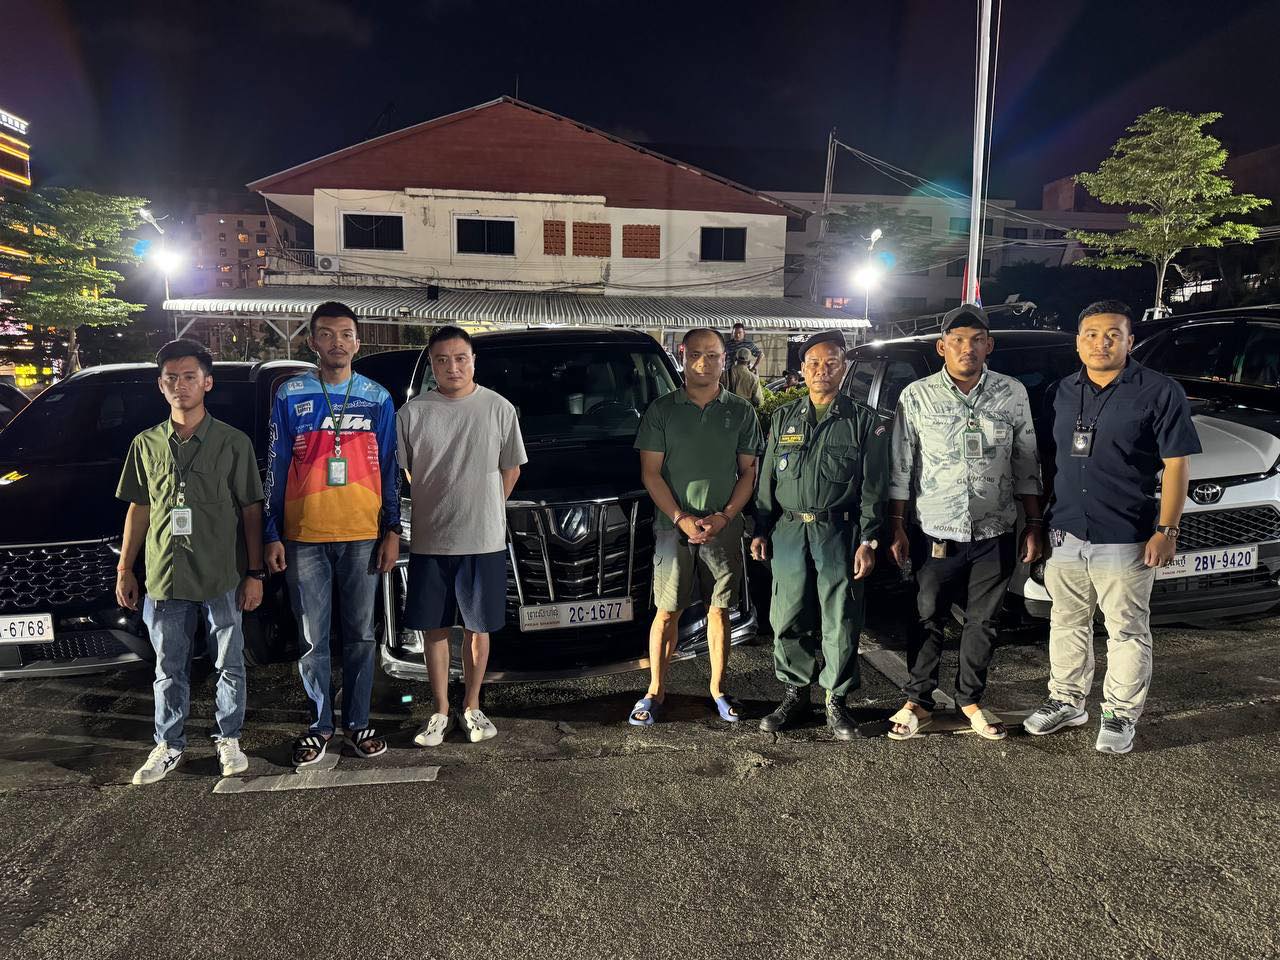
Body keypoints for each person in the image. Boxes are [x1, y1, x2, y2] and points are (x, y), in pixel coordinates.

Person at [1025, 300, 1200, 754]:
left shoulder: (1159, 391)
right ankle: (1067, 701)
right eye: (1091, 334)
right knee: (1067, 623)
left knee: (1126, 630)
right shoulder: (1061, 392)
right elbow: (1051, 461)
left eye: (1112, 335)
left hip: (1127, 534)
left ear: (1129, 341)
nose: (1101, 343)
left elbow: (1177, 465)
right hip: (1066, 530)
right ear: (1078, 342)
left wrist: (1168, 529)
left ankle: (1121, 713)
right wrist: (1040, 521)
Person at [885, 304, 1045, 742]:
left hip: (995, 530)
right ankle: (918, 700)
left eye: (976, 340)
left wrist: (1034, 522)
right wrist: (896, 524)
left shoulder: (1012, 393)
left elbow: (1026, 460)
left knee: (984, 621)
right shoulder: (916, 396)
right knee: (926, 616)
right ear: (942, 347)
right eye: (957, 340)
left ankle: (970, 699)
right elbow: (901, 464)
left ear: (989, 345)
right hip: (935, 530)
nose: (966, 348)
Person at [115, 340, 265, 785]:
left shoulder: (232, 442)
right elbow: (139, 508)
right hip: (165, 575)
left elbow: (251, 510)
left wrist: (255, 573)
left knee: (229, 663)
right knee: (168, 667)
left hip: (222, 573)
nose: (180, 385)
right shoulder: (145, 444)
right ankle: (168, 743)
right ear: (160, 386)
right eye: (171, 378)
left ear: (207, 382)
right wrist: (126, 568)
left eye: (189, 377)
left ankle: (229, 737)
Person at [264, 302, 401, 767]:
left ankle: (358, 722)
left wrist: (392, 528)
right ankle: (319, 726)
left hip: (363, 534)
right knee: (312, 639)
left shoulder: (377, 397)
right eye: (326, 334)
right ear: (312, 341)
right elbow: (276, 465)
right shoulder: (290, 393)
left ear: (357, 342)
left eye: (345, 334)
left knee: (361, 635)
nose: (336, 342)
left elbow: (390, 467)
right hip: (303, 535)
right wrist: (271, 532)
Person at [751, 330, 888, 740]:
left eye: (831, 363)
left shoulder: (863, 421)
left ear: (844, 369)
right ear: (802, 369)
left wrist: (868, 540)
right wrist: (761, 528)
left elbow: (874, 488)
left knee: (840, 617)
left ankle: (836, 699)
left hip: (838, 531)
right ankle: (796, 693)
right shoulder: (783, 418)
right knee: (787, 613)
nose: (821, 370)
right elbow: (766, 479)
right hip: (790, 531)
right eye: (813, 363)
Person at [397, 325, 526, 746]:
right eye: (442, 360)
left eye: (460, 358)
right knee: (433, 628)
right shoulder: (412, 413)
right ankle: (439, 709)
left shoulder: (498, 408)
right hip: (430, 539)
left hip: (483, 540)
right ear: (431, 365)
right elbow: (408, 470)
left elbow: (511, 469)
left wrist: (484, 505)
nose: (452, 367)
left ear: (473, 361)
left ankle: (472, 705)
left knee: (478, 627)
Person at [630, 328, 761, 725]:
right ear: (682, 355)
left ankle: (718, 689)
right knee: (667, 610)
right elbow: (650, 473)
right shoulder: (662, 410)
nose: (704, 362)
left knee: (719, 610)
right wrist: (680, 517)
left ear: (725, 359)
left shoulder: (741, 411)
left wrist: (724, 516)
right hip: (673, 527)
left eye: (713, 355)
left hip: (724, 526)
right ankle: (655, 689)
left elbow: (748, 471)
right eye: (696, 354)